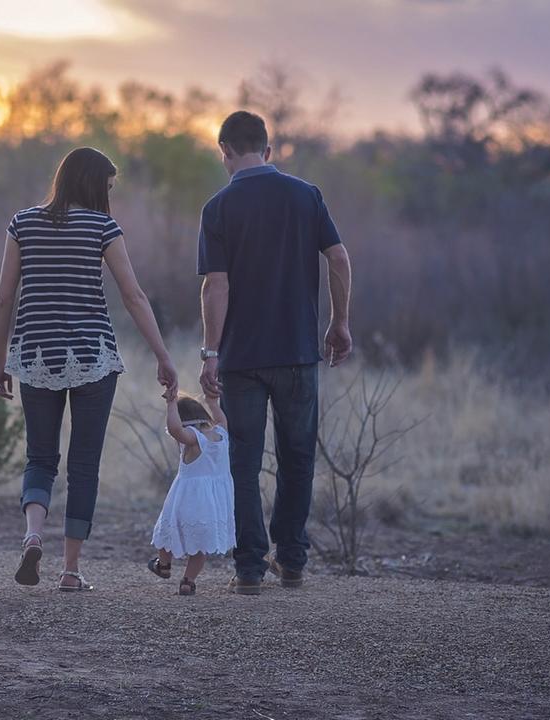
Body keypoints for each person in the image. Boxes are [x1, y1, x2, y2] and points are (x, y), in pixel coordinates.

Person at [0, 147, 178, 592]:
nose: (109, 196)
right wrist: (163, 355)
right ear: (95, 184)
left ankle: (33, 534)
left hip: (35, 355)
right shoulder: (103, 227)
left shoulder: (22, 223)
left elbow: (2, 299)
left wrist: (1, 362)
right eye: (108, 187)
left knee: (40, 457)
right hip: (93, 356)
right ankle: (70, 571)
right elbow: (133, 296)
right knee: (84, 465)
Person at [196, 111, 354, 595]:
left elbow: (215, 287)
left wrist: (210, 352)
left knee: (243, 462)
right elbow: (339, 257)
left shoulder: (218, 207)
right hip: (298, 352)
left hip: (242, 359)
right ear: (268, 150)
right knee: (298, 457)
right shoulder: (306, 196)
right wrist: (339, 322)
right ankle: (292, 560)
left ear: (224, 151)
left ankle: (248, 569)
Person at [147, 393, 235, 596]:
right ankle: (188, 581)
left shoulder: (194, 439)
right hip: (213, 504)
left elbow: (176, 429)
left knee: (167, 531)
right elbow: (221, 418)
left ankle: (164, 565)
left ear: (186, 423)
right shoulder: (221, 433)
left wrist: (170, 405)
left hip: (187, 500)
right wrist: (212, 402)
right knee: (200, 545)